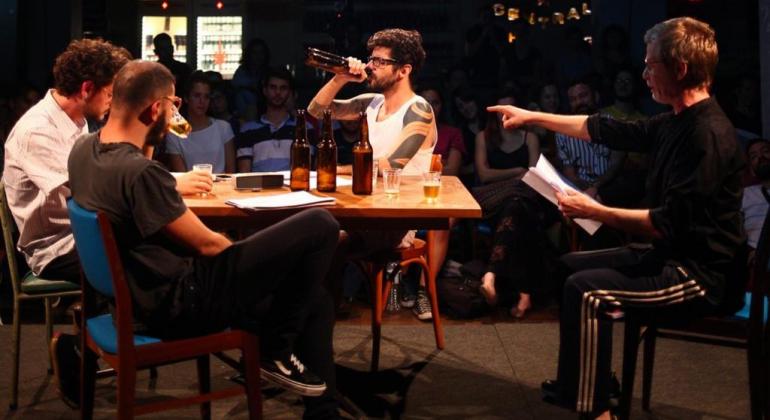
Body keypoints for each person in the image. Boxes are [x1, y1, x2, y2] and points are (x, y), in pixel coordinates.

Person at [488, 17, 746, 419]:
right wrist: (532, 117)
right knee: (566, 269)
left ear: (679, 69)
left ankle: (597, 411)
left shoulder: (707, 134)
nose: (644, 74)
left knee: (590, 291)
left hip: (700, 275)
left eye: (650, 66)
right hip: (668, 255)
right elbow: (602, 129)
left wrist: (596, 211)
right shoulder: (677, 119)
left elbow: (668, 222)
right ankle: (587, 384)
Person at [68, 60, 341, 418]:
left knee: (315, 299)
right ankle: (275, 347)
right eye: (172, 105)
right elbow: (209, 246)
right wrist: (259, 267)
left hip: (131, 304)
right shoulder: (140, 174)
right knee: (321, 223)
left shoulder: (83, 150)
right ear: (155, 109)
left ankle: (324, 412)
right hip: (181, 303)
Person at [308, 28, 437, 321]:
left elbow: (390, 167)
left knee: (326, 239)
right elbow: (316, 111)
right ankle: (309, 327)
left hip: (396, 217)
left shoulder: (419, 109)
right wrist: (341, 77)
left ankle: (318, 326)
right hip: (366, 208)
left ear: (404, 70)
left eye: (379, 61)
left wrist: (338, 170)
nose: (369, 66)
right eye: (371, 59)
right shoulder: (372, 103)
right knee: (309, 228)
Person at [3, 39, 132, 283]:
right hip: (56, 248)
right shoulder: (37, 131)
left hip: (83, 232)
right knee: (147, 257)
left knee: (156, 244)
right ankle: (115, 318)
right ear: (86, 89)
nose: (112, 102)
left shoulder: (76, 119)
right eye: (109, 94)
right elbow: (90, 190)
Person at [556, 79, 625, 204]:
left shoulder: (613, 124)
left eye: (583, 96)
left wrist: (596, 186)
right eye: (573, 99)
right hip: (580, 187)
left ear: (596, 96)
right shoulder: (563, 132)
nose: (579, 102)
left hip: (610, 184)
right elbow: (570, 173)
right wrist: (587, 189)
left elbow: (616, 165)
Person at [165, 71, 236, 173]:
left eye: (206, 97)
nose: (202, 101)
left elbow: (231, 172)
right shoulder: (175, 133)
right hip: (190, 187)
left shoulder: (223, 128)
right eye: (197, 95)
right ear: (186, 98)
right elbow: (181, 175)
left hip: (222, 186)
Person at [236, 67, 302, 172]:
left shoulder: (303, 128)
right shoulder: (247, 130)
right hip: (258, 187)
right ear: (265, 90)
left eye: (283, 88)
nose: (278, 92)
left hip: (295, 187)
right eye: (273, 87)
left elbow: (308, 170)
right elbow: (245, 174)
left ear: (289, 92)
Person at [232, 38, 271, 122]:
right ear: (249, 54)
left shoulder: (269, 72)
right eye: (254, 53)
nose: (258, 56)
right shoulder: (242, 71)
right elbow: (236, 84)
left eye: (261, 52)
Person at [742, 138, 770, 251]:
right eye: (754, 156)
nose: (761, 157)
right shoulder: (745, 194)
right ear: (752, 171)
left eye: (766, 151)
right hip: (759, 256)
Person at [152, 33, 192, 99]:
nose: (167, 52)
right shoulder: (184, 69)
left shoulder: (152, 72)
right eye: (163, 49)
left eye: (168, 48)